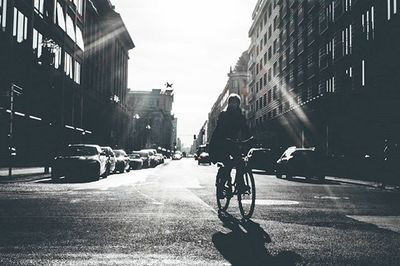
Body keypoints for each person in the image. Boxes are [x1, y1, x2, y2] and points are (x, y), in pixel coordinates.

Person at [209, 93, 251, 198]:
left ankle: (241, 185)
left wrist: (251, 138)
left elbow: (245, 129)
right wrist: (225, 138)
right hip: (221, 143)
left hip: (233, 143)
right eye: (232, 102)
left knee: (240, 162)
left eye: (236, 103)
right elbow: (220, 129)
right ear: (229, 104)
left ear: (238, 104)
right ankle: (222, 187)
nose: (233, 105)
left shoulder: (240, 116)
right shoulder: (223, 115)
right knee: (227, 165)